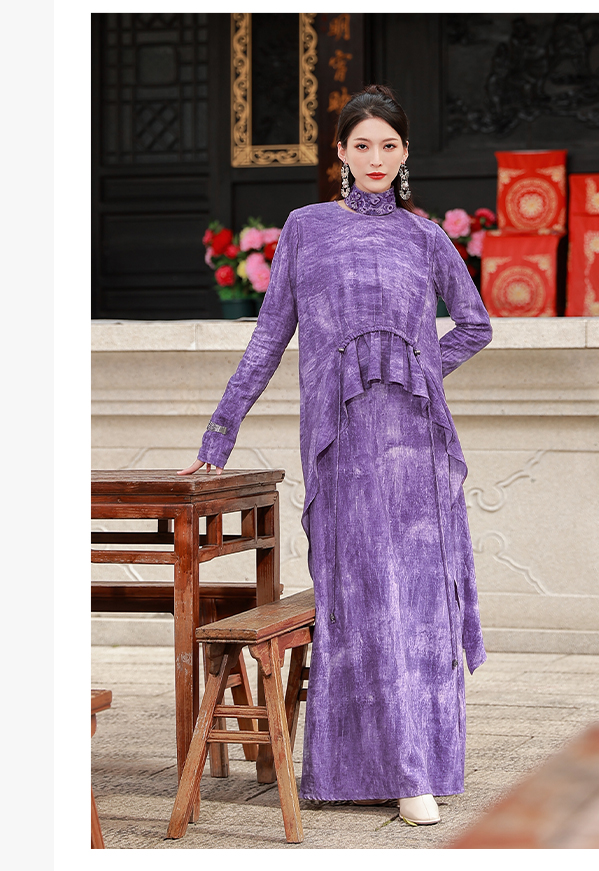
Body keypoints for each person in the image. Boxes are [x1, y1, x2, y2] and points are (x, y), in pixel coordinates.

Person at [180, 85, 492, 826]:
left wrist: (414, 369)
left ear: (404, 153)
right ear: (342, 153)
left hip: (415, 450)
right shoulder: (307, 228)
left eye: (389, 145)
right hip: (341, 448)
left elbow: (475, 325)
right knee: (359, 601)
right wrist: (218, 435)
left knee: (416, 603)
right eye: (362, 145)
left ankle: (417, 769)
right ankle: (358, 766)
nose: (375, 157)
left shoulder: (425, 237)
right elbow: (268, 337)